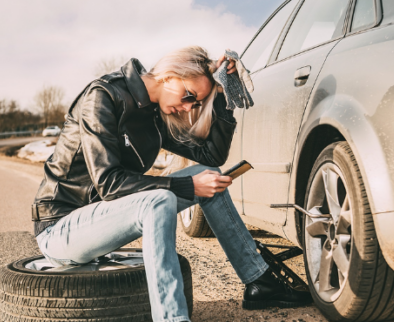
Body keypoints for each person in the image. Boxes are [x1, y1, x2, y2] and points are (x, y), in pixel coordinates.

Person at [31, 46, 311, 322]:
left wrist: (224, 95)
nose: (189, 106)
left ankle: (260, 281)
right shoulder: (103, 96)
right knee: (160, 198)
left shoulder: (154, 114)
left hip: (104, 221)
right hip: (61, 229)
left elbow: (210, 155)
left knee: (208, 174)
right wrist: (188, 187)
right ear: (169, 75)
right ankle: (172, 318)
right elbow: (109, 183)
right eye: (189, 95)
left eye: (196, 102)